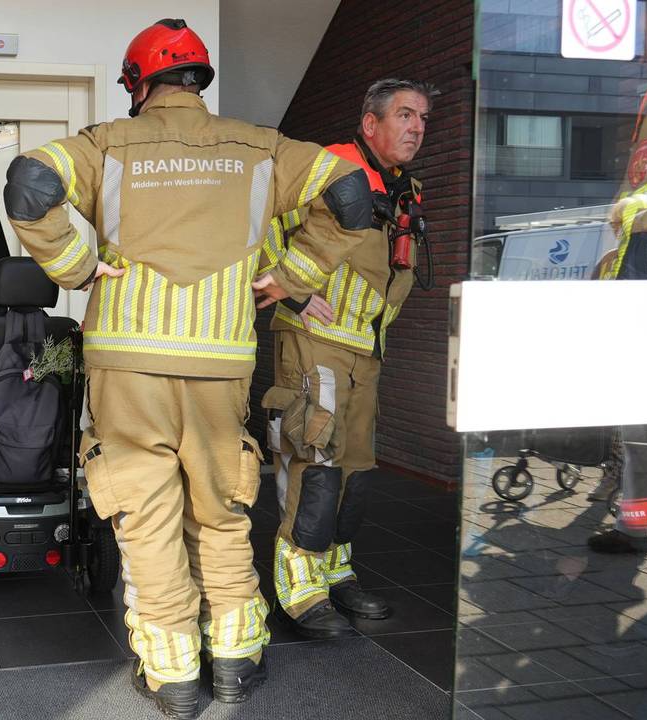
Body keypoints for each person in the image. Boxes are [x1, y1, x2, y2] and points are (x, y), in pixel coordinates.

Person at [3, 19, 371, 719]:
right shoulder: (264, 148)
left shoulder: (107, 143)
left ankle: (171, 673)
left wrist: (76, 267)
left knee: (145, 513)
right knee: (221, 510)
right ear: (198, 79)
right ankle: (234, 659)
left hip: (128, 361)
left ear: (140, 83)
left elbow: (27, 184)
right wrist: (294, 274)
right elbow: (352, 193)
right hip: (220, 360)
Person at [257, 79, 433, 638]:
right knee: (315, 463)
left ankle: (336, 572)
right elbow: (257, 223)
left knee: (355, 470)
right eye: (405, 115)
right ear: (370, 124)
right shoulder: (328, 170)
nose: (416, 127)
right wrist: (295, 290)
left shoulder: (406, 189)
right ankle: (300, 586)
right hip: (315, 344)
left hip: (365, 350)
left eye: (423, 118)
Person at [587, 153, 647, 554]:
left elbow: (640, 222)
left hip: (644, 341)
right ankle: (635, 529)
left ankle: (635, 531)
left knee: (643, 445)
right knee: (642, 445)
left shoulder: (636, 203)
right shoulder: (640, 207)